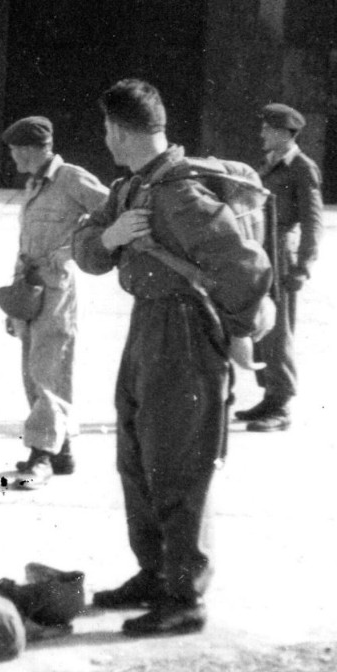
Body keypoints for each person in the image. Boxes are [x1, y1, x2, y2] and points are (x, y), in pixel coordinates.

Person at [72, 79, 272, 636]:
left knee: (178, 462)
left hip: (183, 334)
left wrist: (236, 335)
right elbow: (84, 249)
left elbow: (247, 269)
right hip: (147, 328)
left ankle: (185, 596)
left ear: (117, 130)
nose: (106, 139)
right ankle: (155, 571)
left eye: (107, 131)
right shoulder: (134, 187)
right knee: (137, 455)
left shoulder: (179, 194)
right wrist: (111, 236)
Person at [1, 116, 109, 488]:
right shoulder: (35, 184)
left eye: (16, 149)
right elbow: (26, 242)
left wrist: (74, 250)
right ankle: (62, 452)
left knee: (48, 369)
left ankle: (42, 455)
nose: (12, 155)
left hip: (57, 289)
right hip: (29, 286)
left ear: (32, 149)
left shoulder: (71, 179)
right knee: (35, 367)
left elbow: (113, 213)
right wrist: (14, 297)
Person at [235, 103, 323, 432]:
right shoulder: (269, 166)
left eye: (267, 129)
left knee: (279, 330)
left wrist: (302, 266)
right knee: (263, 325)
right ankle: (270, 396)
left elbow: (313, 223)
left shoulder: (302, 167)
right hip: (262, 252)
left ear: (285, 133)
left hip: (281, 254)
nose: (261, 133)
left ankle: (281, 403)